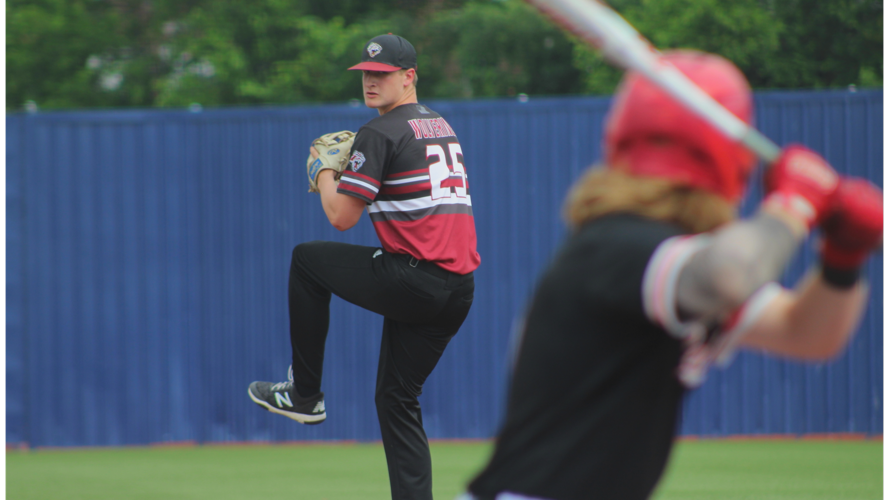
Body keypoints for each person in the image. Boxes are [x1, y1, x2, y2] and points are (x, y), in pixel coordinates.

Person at [464, 50, 884, 500]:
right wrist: (794, 205)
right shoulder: (617, 247)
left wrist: (843, 256)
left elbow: (806, 334)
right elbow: (732, 275)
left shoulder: (667, 261)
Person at [248, 34, 480, 500]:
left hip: (413, 278)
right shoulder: (438, 124)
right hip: (458, 291)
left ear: (409, 77)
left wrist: (323, 171)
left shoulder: (380, 132)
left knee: (307, 261)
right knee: (396, 400)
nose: (371, 82)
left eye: (383, 74)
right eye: (366, 75)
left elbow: (341, 217)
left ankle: (304, 395)